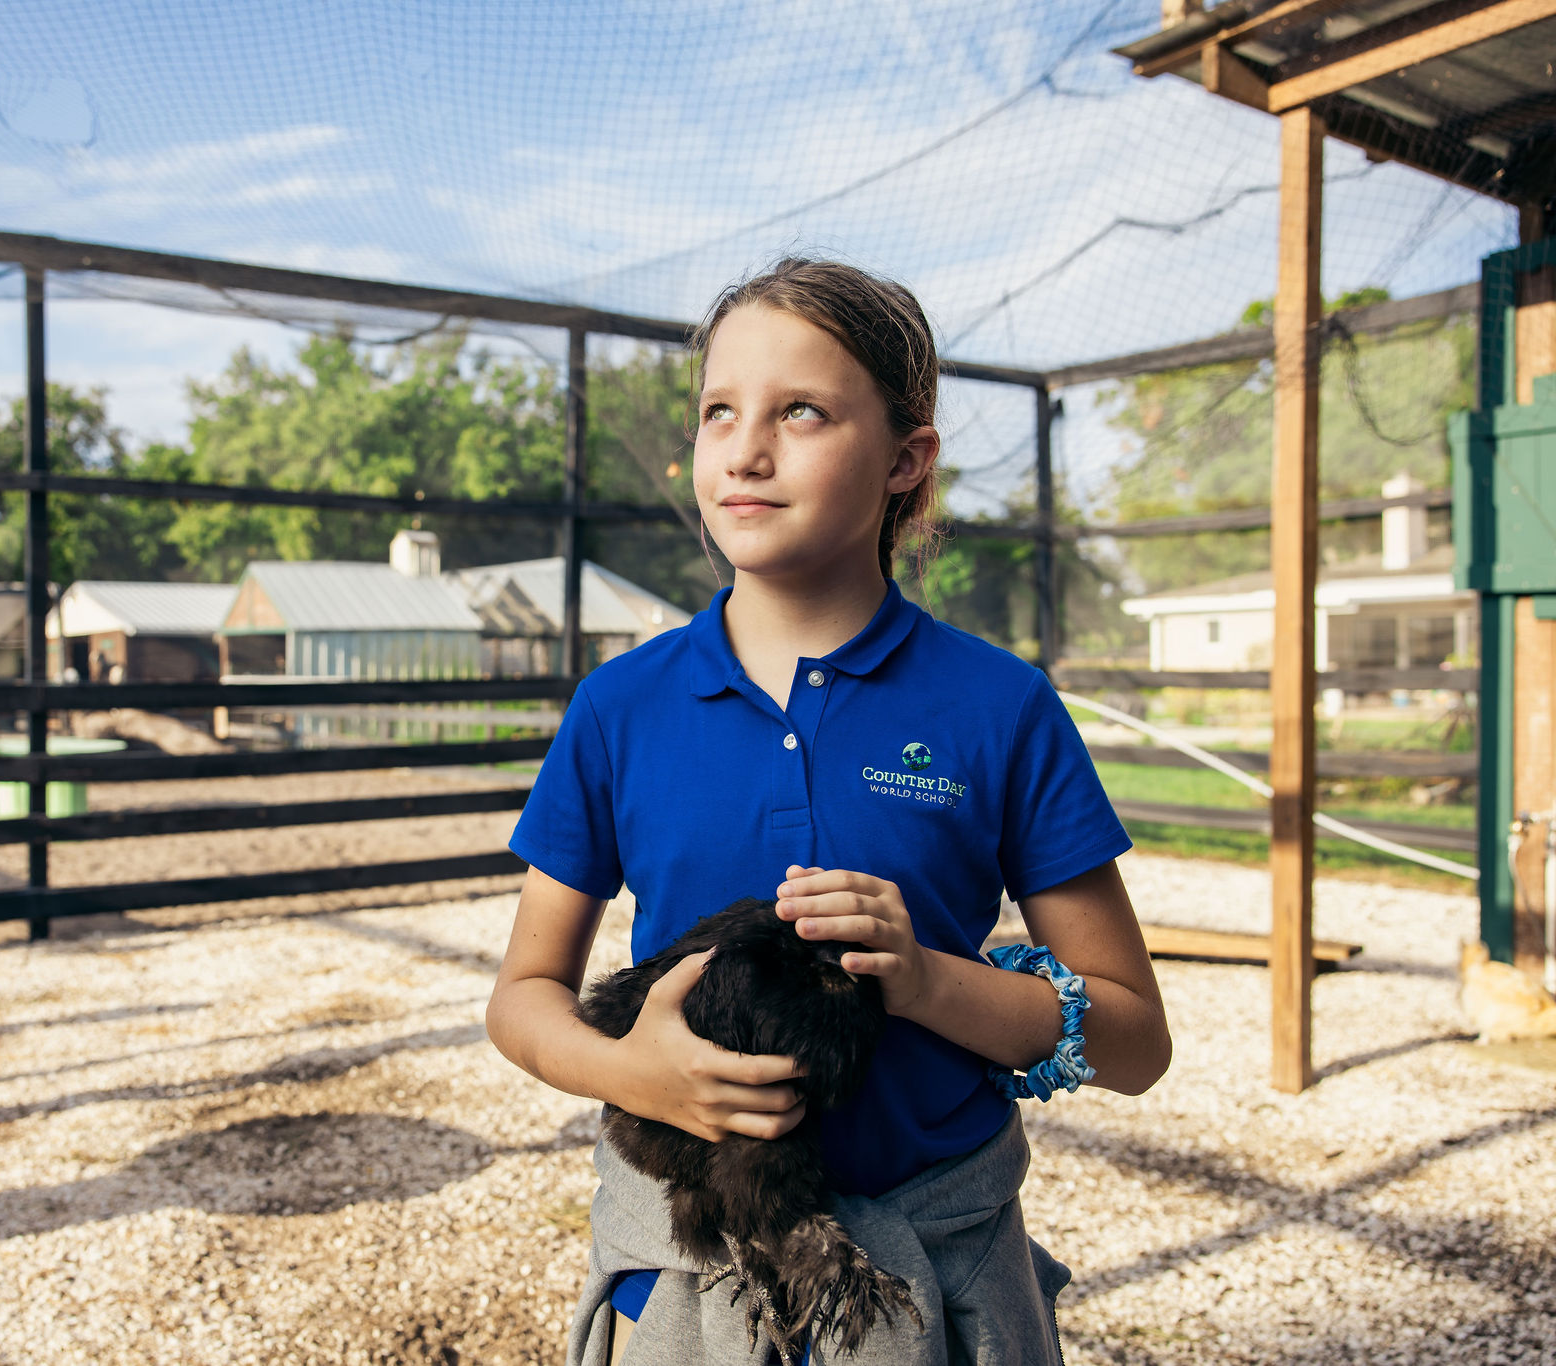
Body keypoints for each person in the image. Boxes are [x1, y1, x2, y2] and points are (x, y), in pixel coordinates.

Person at [486, 259, 1172, 1364]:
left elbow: (1134, 1037)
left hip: (941, 1278)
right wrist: (634, 1071)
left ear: (905, 459)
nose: (745, 449)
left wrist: (927, 980)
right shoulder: (619, 705)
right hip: (681, 1267)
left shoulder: (999, 707)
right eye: (719, 411)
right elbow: (521, 998)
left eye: (799, 409)